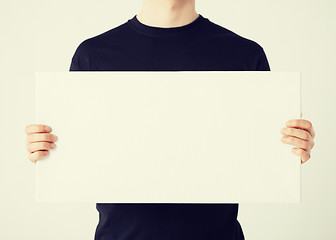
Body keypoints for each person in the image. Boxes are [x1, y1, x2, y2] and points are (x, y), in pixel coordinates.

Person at [25, 0, 316, 239]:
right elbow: (81, 154)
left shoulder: (244, 55)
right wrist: (48, 149)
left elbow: (263, 155)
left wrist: (291, 148)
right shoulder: (92, 55)